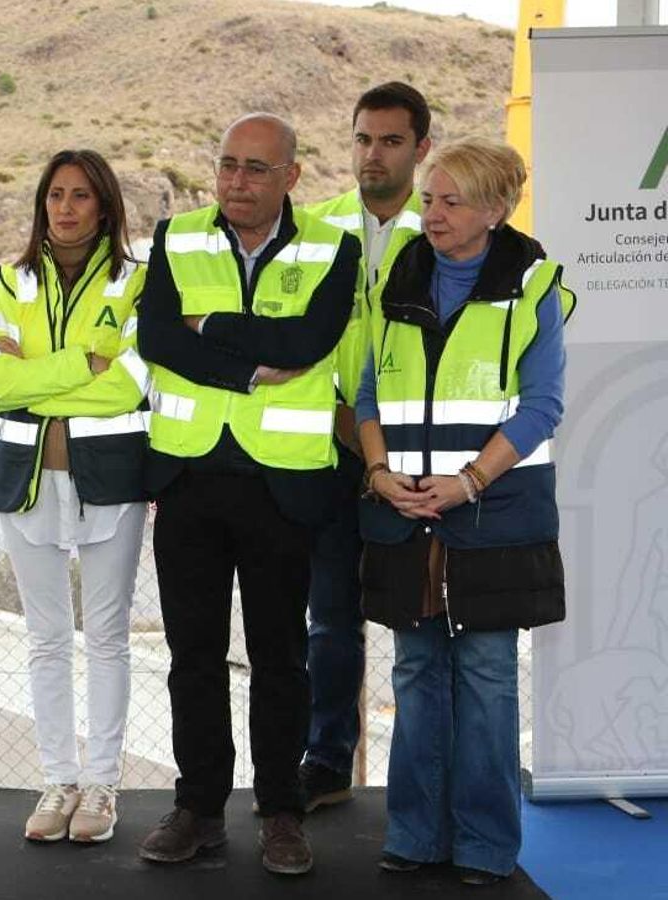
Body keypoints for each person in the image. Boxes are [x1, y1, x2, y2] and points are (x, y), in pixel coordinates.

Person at [135, 113, 360, 875]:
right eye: (228, 164)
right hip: (189, 478)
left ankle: (280, 812)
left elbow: (307, 345)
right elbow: (158, 340)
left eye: (256, 169)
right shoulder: (177, 236)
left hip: (282, 487)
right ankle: (198, 806)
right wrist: (245, 366)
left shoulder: (336, 247)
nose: (236, 181)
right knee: (191, 657)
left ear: (291, 177)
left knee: (280, 658)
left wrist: (214, 324)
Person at [357, 137, 571, 886]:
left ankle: (484, 845)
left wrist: (469, 482)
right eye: (428, 200)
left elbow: (543, 407)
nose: (433, 214)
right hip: (404, 512)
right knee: (416, 672)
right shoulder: (393, 278)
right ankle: (415, 833)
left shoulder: (533, 286)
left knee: (484, 674)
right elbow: (367, 397)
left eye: (451, 202)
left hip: (495, 513)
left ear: (496, 210)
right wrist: (379, 472)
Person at [0, 149, 149, 844]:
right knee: (45, 640)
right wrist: (81, 364)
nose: (65, 208)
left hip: (111, 477)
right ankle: (58, 781)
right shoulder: (11, 281)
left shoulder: (137, 282)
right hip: (25, 477)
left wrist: (34, 372)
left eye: (80, 196)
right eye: (54, 195)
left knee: (106, 639)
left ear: (104, 206)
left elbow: (129, 382)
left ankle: (101, 788)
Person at [297, 81, 432, 810]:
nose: (371, 154)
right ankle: (325, 760)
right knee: (330, 618)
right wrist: (342, 421)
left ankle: (421, 775)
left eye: (389, 141)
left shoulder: (443, 231)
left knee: (418, 619)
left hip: (415, 455)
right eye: (361, 139)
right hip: (326, 450)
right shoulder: (315, 230)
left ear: (421, 149)